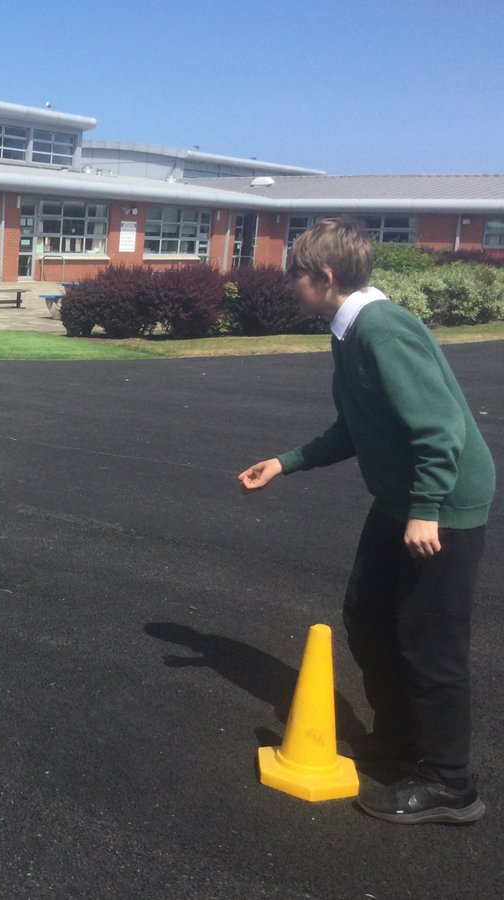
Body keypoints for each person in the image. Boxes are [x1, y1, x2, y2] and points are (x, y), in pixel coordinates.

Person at [237, 217, 495, 825]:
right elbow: (356, 428)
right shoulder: (347, 331)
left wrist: (428, 509)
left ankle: (450, 784)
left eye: (294, 276)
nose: (289, 286)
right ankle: (403, 742)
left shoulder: (383, 329)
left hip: (440, 506)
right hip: (402, 500)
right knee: (369, 616)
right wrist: (285, 461)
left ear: (324, 278)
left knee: (428, 641)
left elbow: (440, 429)